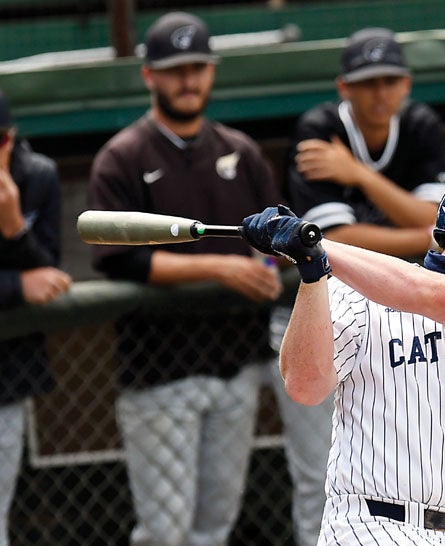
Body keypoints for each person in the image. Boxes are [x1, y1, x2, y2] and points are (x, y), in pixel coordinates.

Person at [242, 158, 445, 545]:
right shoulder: (356, 294)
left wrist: (314, 243)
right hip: (368, 527)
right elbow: (304, 386)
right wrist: (312, 275)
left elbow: (422, 291)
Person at [87, 12, 283, 546]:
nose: (189, 80)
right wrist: (219, 267)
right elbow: (118, 261)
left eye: (198, 67)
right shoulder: (122, 157)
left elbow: (269, 247)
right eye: (175, 70)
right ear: (150, 75)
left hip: (236, 363)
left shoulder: (241, 153)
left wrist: (261, 269)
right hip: (161, 371)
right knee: (165, 532)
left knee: (215, 525)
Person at [273, 27, 445, 546]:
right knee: (319, 477)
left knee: (407, 474)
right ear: (343, 86)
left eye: (390, 80)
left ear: (406, 84)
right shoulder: (318, 127)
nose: (380, 93)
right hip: (320, 318)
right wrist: (422, 233)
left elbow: (437, 218)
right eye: (367, 82)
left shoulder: (419, 125)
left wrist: (359, 175)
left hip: (399, 326)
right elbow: (332, 240)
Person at [0, 91, 72, 546]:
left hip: (5, 377)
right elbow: (27, 282)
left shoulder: (36, 175)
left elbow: (49, 274)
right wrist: (12, 287)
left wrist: (13, 227)